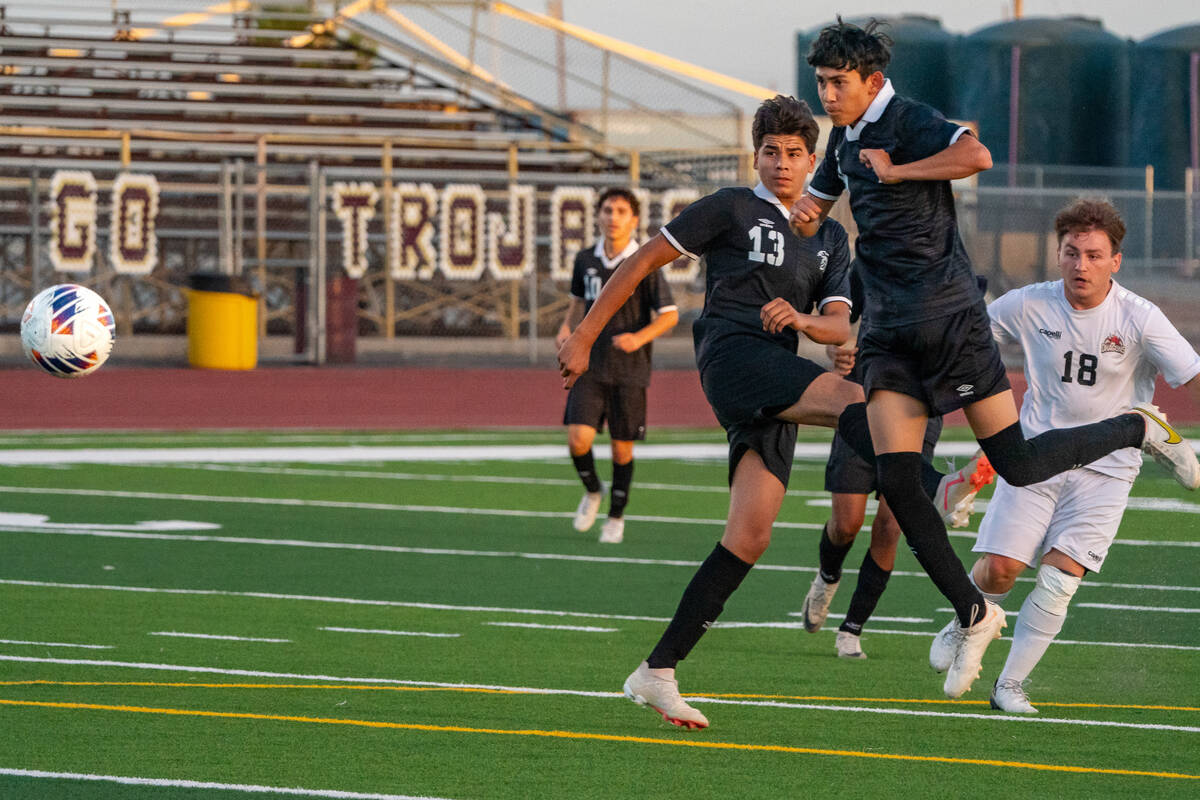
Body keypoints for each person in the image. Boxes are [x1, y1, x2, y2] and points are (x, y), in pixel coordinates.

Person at [789, 18, 1198, 699]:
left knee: (1016, 462)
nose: (828, 94)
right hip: (889, 330)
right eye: (821, 84)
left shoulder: (907, 120)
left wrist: (899, 171)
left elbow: (975, 156)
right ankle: (975, 613)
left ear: (872, 81)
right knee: (897, 481)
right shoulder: (845, 135)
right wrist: (797, 211)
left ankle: (1137, 427)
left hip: (950, 321)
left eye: (838, 83)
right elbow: (817, 202)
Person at [558, 95, 861, 729]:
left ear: (813, 162)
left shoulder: (830, 236)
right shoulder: (730, 206)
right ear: (756, 155)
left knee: (750, 536)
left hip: (779, 375)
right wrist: (586, 334)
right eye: (771, 151)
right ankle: (946, 493)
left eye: (795, 154)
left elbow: (837, 326)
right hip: (733, 355)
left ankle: (657, 671)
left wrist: (815, 325)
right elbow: (643, 260)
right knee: (859, 405)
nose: (782, 163)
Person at [933, 198, 1200, 713]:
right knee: (1002, 570)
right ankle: (966, 617)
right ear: (1058, 254)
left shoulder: (1141, 317)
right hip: (1033, 458)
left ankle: (1008, 686)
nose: (1082, 265)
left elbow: (1190, 374)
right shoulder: (1028, 302)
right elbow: (971, 340)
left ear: (1115, 261)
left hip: (1107, 469)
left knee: (1058, 581)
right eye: (1072, 253)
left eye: (1095, 255)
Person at [799, 266, 953, 659]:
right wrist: (839, 348)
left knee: (890, 525)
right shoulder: (872, 264)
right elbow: (838, 320)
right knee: (846, 523)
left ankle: (852, 629)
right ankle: (827, 576)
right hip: (866, 401)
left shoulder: (951, 276)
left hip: (920, 412)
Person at [555, 187, 679, 544]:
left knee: (621, 448)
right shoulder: (585, 259)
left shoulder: (645, 262)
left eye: (621, 211)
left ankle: (616, 516)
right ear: (598, 216)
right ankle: (593, 490)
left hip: (629, 369)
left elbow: (669, 316)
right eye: (607, 210)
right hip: (589, 365)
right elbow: (578, 302)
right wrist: (567, 329)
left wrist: (638, 338)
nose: (613, 217)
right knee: (578, 439)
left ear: (634, 219)